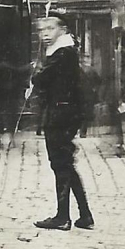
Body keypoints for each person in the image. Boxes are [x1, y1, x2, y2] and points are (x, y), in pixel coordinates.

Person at [31, 15, 94, 231]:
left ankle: (63, 216)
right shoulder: (64, 51)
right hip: (65, 112)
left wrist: (36, 72)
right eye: (41, 30)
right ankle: (84, 215)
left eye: (50, 28)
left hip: (60, 113)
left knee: (60, 164)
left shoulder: (62, 53)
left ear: (62, 30)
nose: (45, 34)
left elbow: (40, 79)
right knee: (66, 164)